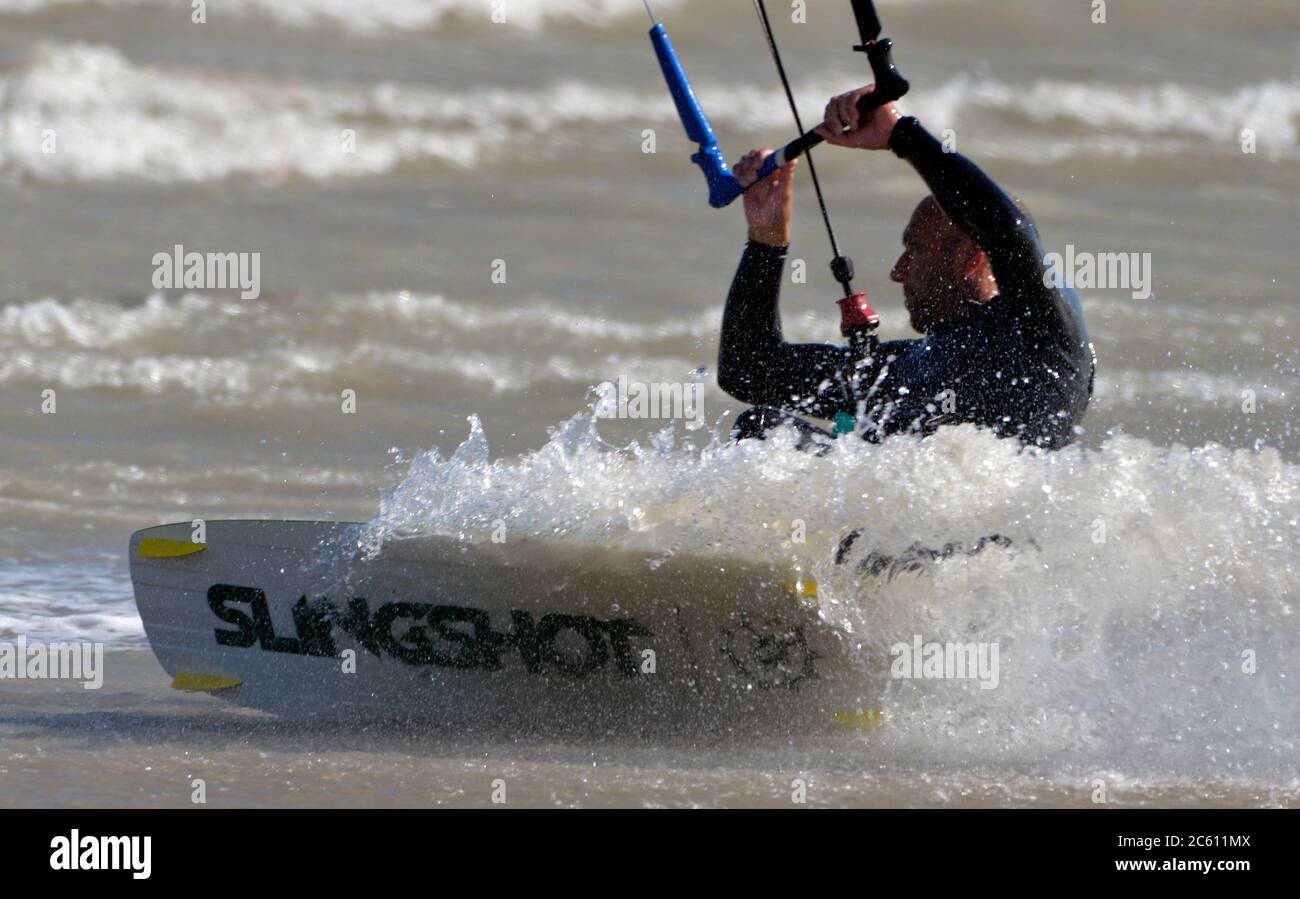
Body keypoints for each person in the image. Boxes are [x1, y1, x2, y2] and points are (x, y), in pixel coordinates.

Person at [718, 85, 1096, 450]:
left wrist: (901, 134)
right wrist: (766, 242)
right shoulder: (900, 370)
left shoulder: (1041, 334)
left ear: (972, 259)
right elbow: (749, 368)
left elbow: (1007, 231)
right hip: (893, 505)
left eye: (914, 251)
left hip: (990, 509)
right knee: (764, 428)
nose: (897, 272)